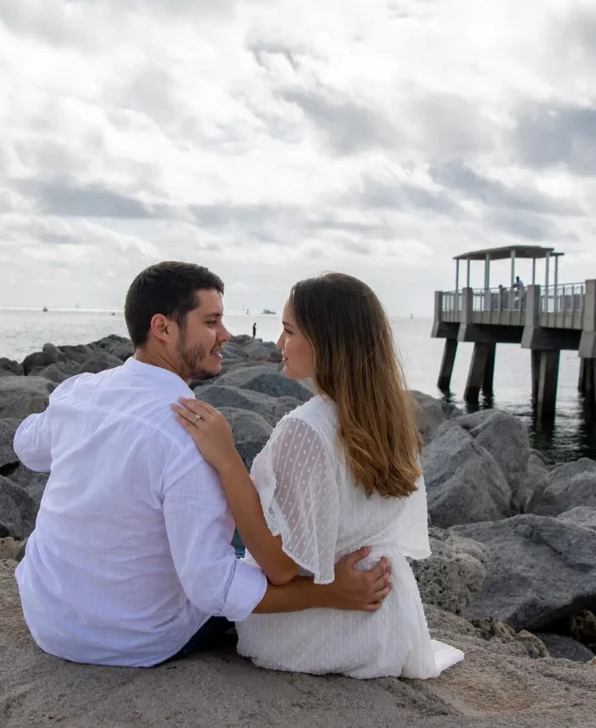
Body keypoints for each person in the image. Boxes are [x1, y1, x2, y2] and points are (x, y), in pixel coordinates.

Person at [14, 262, 392, 668]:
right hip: (138, 639)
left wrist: (83, 435)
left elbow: (27, 446)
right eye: (211, 322)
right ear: (162, 328)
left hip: (47, 617)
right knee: (229, 533)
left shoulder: (79, 394)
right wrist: (329, 592)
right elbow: (212, 586)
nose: (226, 335)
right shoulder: (190, 438)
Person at [174, 273, 464, 679]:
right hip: (388, 623)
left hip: (315, 629)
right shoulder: (391, 418)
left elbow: (279, 567)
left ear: (329, 343)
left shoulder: (308, 429)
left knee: (204, 590)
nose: (278, 344)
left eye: (289, 331)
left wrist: (227, 461)